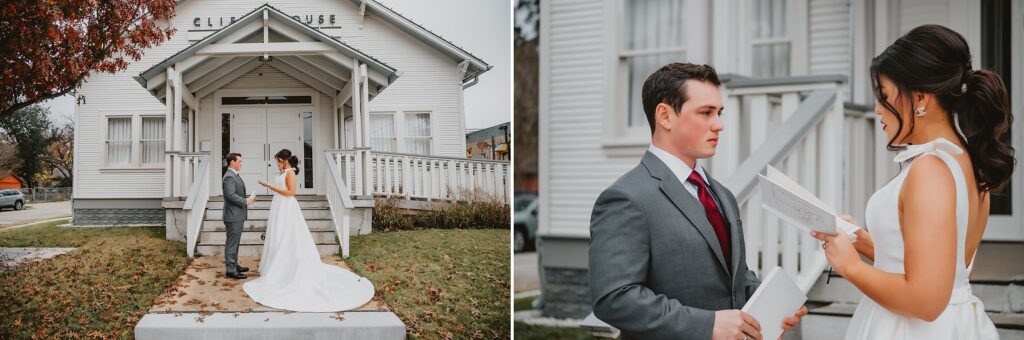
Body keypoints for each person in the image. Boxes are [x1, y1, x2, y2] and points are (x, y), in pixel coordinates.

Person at [812, 24, 1010, 339]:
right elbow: (937, 262)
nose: (877, 109)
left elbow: (926, 300)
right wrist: (859, 240)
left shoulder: (931, 169)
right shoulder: (967, 160)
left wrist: (851, 268)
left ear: (920, 97)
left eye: (885, 96)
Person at [588, 63, 806, 340]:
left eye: (719, 113)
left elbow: (732, 278)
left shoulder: (722, 194)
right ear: (665, 116)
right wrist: (707, 325)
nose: (719, 124)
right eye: (705, 113)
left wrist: (770, 302)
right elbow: (614, 298)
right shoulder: (626, 198)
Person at [242, 149, 375, 312]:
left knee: (287, 236)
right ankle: (275, 266)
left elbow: (291, 193)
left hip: (286, 206)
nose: (277, 163)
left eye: (278, 160)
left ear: (285, 160)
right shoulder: (283, 172)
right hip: (278, 205)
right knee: (277, 236)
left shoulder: (290, 173)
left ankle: (288, 267)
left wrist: (269, 185)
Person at [222, 152, 255, 279]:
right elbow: (230, 195)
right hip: (233, 216)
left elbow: (236, 194)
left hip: (237, 215)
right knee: (232, 243)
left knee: (235, 243)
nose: (241, 163)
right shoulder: (229, 177)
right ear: (232, 162)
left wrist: (248, 200)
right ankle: (230, 269)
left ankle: (234, 264)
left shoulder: (234, 175)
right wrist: (245, 201)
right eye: (239, 161)